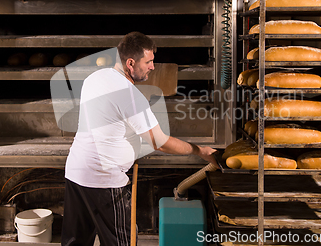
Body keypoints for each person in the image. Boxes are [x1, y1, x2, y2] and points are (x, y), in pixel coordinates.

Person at [61, 31, 217, 246]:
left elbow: (106, 120)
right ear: (131, 62)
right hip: (105, 182)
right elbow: (159, 142)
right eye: (149, 61)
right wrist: (200, 150)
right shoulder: (130, 96)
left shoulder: (95, 77)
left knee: (75, 242)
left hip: (76, 173)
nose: (153, 67)